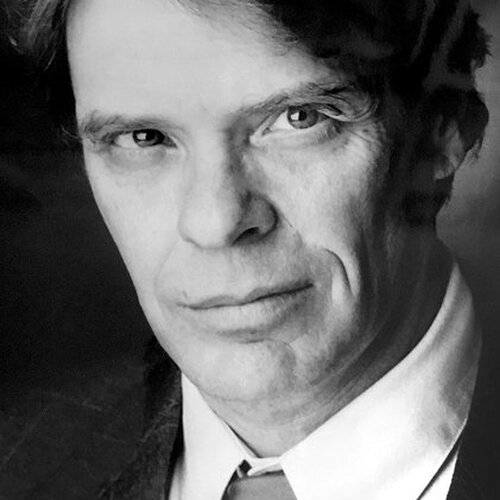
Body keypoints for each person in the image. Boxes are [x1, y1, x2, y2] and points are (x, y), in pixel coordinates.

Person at [21, 0, 498, 498]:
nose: (216, 223)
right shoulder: (18, 453)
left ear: (442, 130)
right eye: (144, 138)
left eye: (300, 118)